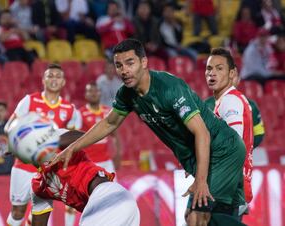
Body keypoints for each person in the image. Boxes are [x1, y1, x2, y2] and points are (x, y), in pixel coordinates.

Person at [50, 38, 246, 226]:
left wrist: (201, 180)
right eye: (119, 66)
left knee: (197, 217)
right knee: (203, 216)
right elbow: (109, 124)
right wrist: (73, 148)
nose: (124, 70)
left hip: (222, 150)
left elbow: (202, 133)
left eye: (130, 63)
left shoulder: (169, 87)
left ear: (144, 62)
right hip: (206, 154)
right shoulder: (127, 94)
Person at [7, 123, 140, 226]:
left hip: (107, 197)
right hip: (106, 208)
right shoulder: (38, 187)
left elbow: (83, 135)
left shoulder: (59, 145)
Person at [4, 64, 80, 226]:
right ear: (43, 80)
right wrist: (15, 143)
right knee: (18, 212)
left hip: (49, 169)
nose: (54, 79)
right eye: (50, 76)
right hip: (24, 165)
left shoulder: (70, 109)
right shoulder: (29, 100)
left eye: (57, 76)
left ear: (64, 82)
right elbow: (9, 126)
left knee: (40, 216)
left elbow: (72, 139)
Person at [203, 47, 255, 218]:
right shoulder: (229, 99)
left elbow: (233, 145)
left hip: (227, 187)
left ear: (232, 73)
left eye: (219, 68)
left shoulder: (230, 101)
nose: (212, 73)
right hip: (232, 185)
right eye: (209, 69)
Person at [205, 67, 265, 148]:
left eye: (233, 76)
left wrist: (241, 150)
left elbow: (259, 133)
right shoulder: (207, 105)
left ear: (238, 79)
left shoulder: (251, 106)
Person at [79, 82, 122, 174]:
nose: (94, 93)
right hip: (89, 161)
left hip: (106, 161)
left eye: (96, 91)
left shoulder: (108, 112)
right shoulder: (80, 114)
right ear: (86, 95)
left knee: (113, 187)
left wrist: (118, 154)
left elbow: (115, 135)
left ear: (100, 93)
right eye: (90, 91)